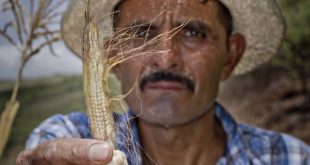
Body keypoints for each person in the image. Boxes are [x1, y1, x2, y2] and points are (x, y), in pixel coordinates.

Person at [16, 0, 310, 165]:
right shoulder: (67, 136)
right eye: (143, 32)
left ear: (231, 56)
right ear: (112, 58)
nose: (166, 58)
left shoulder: (289, 158)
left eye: (193, 33)